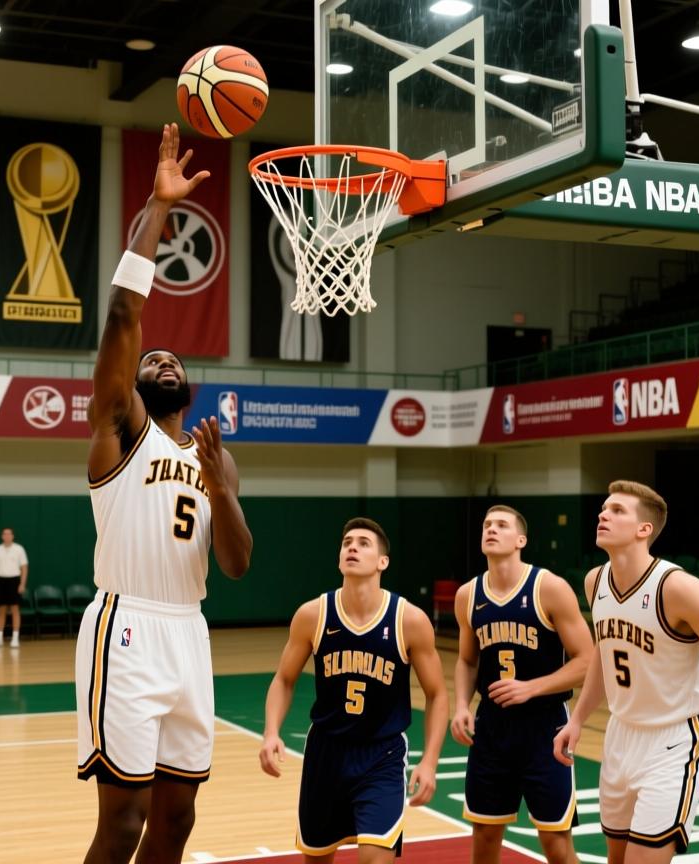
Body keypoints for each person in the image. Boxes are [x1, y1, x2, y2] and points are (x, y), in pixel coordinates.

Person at [75, 122, 253, 864]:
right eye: (154, 358)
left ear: (192, 384)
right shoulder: (120, 429)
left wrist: (222, 487)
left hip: (190, 631)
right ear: (138, 384)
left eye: (175, 357)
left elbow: (239, 564)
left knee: (177, 822)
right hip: (127, 626)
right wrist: (157, 208)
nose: (165, 359)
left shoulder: (216, 456)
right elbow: (122, 317)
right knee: (123, 822)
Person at [553, 480, 699, 864]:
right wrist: (579, 719)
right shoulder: (595, 582)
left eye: (617, 510)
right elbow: (606, 656)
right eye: (604, 508)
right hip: (621, 735)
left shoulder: (678, 588)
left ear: (644, 530)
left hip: (674, 739)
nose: (603, 514)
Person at [259, 517, 447, 862]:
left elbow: (437, 694)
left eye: (363, 543)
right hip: (325, 752)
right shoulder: (313, 615)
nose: (352, 548)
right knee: (317, 858)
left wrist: (430, 761)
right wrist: (271, 732)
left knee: (375, 858)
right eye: (347, 543)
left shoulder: (409, 620)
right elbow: (284, 679)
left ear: (382, 562)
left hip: (382, 754)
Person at [451, 506, 593, 864]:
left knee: (556, 845)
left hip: (545, 726)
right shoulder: (468, 595)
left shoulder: (549, 588)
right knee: (483, 838)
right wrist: (460, 707)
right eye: (486, 524)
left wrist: (532, 687)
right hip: (492, 728)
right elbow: (468, 660)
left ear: (521, 540)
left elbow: (587, 660)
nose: (491, 530)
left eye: (501, 525)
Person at [0, 528, 28, 649]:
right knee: (1, 610)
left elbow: (24, 567)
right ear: (2, 536)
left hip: (14, 581)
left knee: (15, 609)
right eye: (5, 534)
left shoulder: (19, 549)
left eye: (9, 534)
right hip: (1, 581)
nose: (7, 536)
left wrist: (22, 584)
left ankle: (15, 637)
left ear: (13, 536)